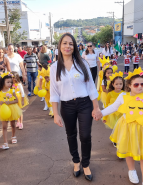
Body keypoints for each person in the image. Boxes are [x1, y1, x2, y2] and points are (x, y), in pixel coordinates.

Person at [96, 67, 143, 185]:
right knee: (128, 150)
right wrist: (101, 113)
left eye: (142, 84)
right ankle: (132, 170)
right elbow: (113, 107)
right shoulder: (123, 97)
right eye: (136, 84)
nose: (140, 87)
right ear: (129, 86)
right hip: (127, 128)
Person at [50, 33, 102, 181]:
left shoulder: (82, 63)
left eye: (71, 44)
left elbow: (91, 87)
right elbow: (53, 92)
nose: (68, 46)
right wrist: (55, 113)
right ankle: (76, 161)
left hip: (85, 104)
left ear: (74, 47)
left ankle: (86, 164)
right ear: (60, 46)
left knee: (85, 136)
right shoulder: (54, 68)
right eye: (65, 43)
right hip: (67, 106)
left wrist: (96, 107)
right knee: (71, 135)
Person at [0, 72, 22, 149]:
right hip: (3, 110)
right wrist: (0, 102)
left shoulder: (12, 90)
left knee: (12, 125)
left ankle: (13, 136)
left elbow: (16, 100)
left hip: (12, 109)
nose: (10, 84)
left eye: (11, 82)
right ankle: (5, 143)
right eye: (8, 82)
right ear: (3, 82)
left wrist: (10, 102)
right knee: (4, 127)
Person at [102, 72, 125, 146]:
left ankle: (119, 139)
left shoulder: (125, 93)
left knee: (122, 129)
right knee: (116, 128)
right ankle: (115, 140)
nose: (119, 86)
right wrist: (105, 116)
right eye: (117, 84)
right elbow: (107, 106)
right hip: (113, 115)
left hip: (122, 114)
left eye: (120, 84)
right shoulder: (110, 94)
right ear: (113, 84)